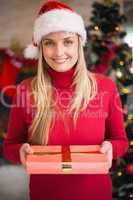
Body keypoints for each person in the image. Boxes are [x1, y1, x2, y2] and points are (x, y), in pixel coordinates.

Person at [3, 1, 128, 200]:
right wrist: (20, 151)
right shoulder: (26, 90)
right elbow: (10, 146)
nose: (59, 52)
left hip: (96, 194)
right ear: (40, 47)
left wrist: (111, 147)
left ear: (79, 43)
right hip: (45, 194)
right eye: (49, 43)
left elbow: (121, 141)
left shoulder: (105, 87)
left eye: (67, 41)